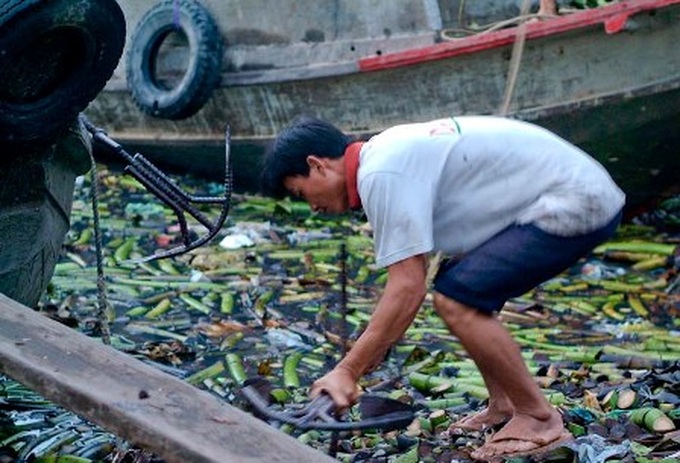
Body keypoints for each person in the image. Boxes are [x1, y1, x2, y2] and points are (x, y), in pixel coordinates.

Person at [260, 115, 624, 460]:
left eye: (301, 192)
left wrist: (347, 371)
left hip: (576, 199)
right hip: (568, 192)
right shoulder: (384, 156)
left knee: (457, 299)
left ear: (317, 165)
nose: (312, 207)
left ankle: (539, 419)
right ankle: (504, 405)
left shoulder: (381, 172)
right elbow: (412, 281)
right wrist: (365, 357)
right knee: (460, 281)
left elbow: (407, 287)